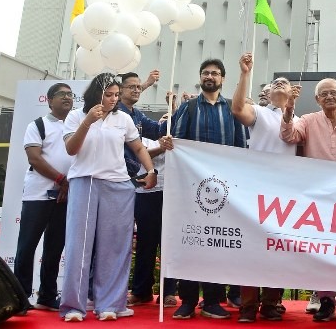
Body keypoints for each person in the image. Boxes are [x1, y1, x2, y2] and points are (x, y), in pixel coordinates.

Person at [59, 73, 157, 322]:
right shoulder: (76, 116)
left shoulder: (123, 118)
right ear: (96, 94)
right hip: (84, 181)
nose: (114, 99)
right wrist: (88, 122)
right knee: (79, 245)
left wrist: (151, 171)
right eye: (109, 94)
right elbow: (71, 149)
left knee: (115, 246)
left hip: (118, 185)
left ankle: (110, 304)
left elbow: (138, 147)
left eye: (116, 95)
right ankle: (73, 306)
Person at [167, 59, 249, 320]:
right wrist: (169, 144)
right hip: (191, 190)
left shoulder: (233, 110)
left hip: (223, 190)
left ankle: (212, 301)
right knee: (190, 242)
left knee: (216, 242)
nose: (209, 76)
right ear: (200, 77)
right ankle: (188, 301)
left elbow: (241, 148)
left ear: (222, 79)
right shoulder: (188, 108)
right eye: (205, 73)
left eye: (214, 73)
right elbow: (177, 144)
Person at [281, 78, 336, 322]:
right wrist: (289, 109)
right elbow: (288, 135)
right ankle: (326, 300)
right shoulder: (308, 120)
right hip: (319, 198)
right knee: (322, 248)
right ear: (317, 99)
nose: (329, 97)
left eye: (333, 93)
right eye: (324, 94)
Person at [231, 53, 298, 323]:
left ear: (293, 92)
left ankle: (271, 303)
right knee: (252, 249)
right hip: (256, 192)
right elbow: (237, 109)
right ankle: (248, 306)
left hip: (286, 195)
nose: (279, 83)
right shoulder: (259, 113)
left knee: (278, 250)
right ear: (267, 93)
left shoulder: (299, 120)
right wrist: (245, 73)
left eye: (285, 82)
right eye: (275, 82)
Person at [115, 72, 177, 309]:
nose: (136, 90)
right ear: (119, 91)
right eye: (131, 87)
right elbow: (139, 151)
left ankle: (167, 291)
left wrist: (173, 110)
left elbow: (160, 130)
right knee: (142, 243)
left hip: (160, 191)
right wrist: (159, 148)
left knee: (166, 242)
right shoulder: (114, 113)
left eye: (138, 87)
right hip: (126, 184)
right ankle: (139, 291)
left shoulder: (138, 116)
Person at [14, 83, 74, 312]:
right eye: (62, 94)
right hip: (38, 195)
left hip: (65, 196)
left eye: (70, 94)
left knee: (54, 248)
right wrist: (60, 179)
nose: (67, 98)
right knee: (27, 246)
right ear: (49, 101)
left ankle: (47, 296)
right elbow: (35, 159)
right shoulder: (37, 125)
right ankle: (21, 297)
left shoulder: (75, 126)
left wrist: (68, 184)